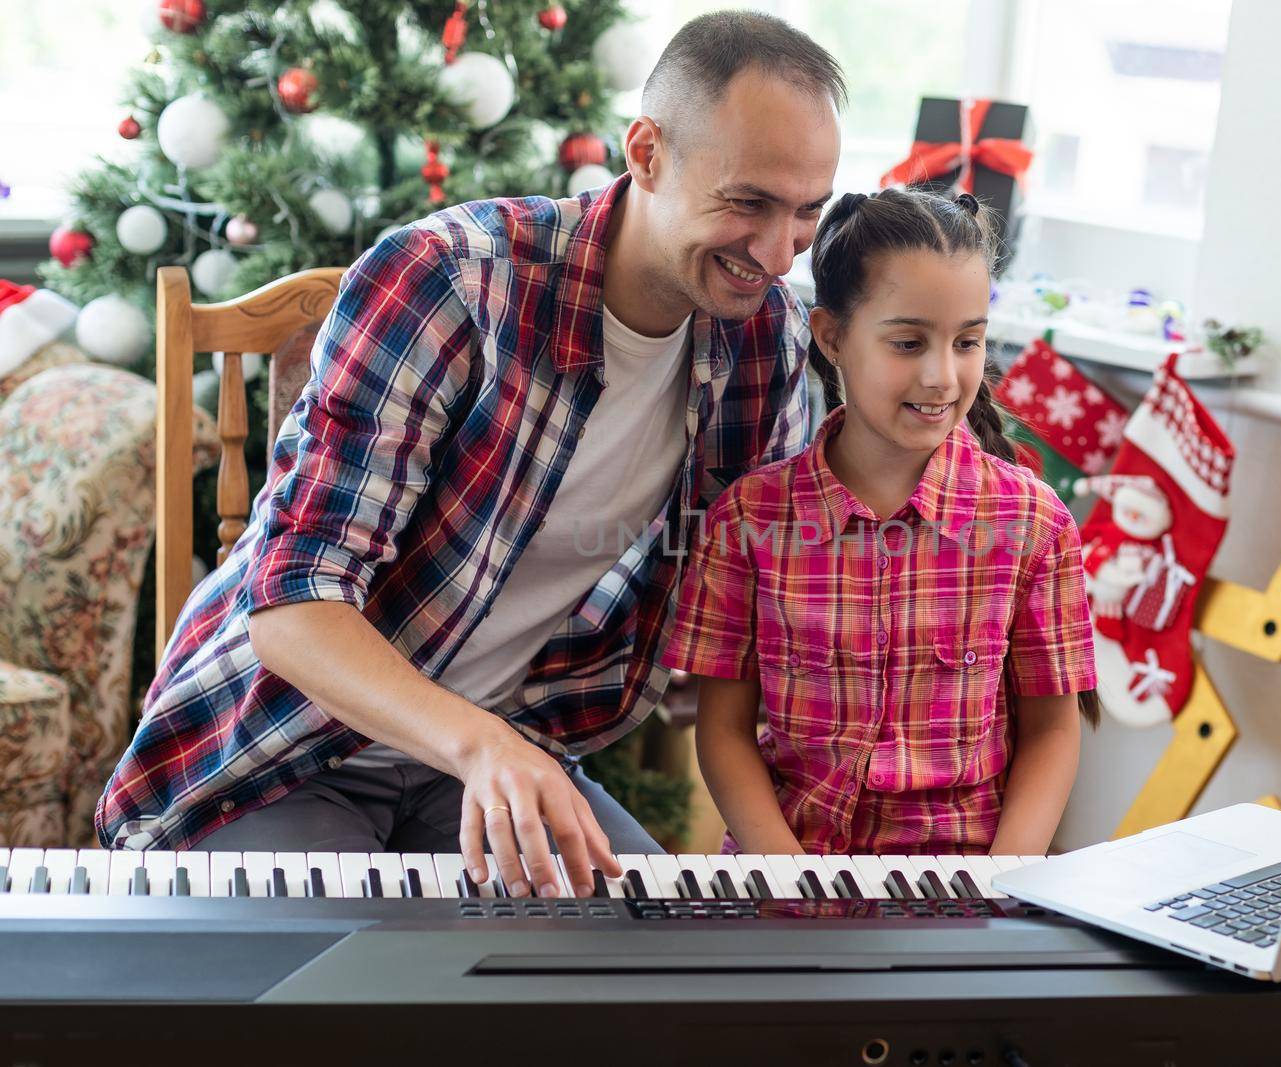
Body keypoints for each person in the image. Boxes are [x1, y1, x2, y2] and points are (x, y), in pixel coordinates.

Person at [96, 10, 845, 900]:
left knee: (663, 969)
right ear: (645, 153)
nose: (774, 252)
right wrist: (482, 743)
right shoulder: (452, 279)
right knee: (347, 1007)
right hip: (284, 747)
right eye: (747, 202)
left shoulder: (766, 342)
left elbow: (776, 602)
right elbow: (294, 602)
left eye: (807, 213)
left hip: (494, 757)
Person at [661, 188, 1101, 857]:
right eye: (907, 342)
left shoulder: (1036, 523)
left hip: (961, 898)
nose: (942, 376)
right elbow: (722, 732)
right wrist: (791, 877)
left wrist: (999, 887)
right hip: (786, 882)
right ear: (832, 335)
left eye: (967, 342)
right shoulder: (746, 521)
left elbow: (1052, 732)